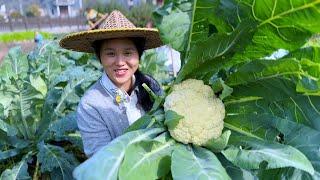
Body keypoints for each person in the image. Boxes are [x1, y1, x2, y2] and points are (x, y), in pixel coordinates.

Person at [60, 10, 163, 157]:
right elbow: (101, 160)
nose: (120, 62)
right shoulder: (91, 104)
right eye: (111, 54)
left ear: (138, 56)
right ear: (99, 57)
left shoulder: (150, 85)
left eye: (128, 53)